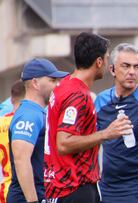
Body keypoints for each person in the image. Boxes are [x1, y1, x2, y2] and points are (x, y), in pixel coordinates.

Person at [44, 32, 133, 203]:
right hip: (74, 187)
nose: (107, 64)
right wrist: (106, 133)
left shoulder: (63, 85)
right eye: (107, 58)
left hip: (60, 186)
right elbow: (63, 143)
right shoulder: (78, 94)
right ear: (98, 62)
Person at [94, 43, 138, 202]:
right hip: (107, 188)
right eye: (126, 66)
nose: (132, 72)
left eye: (137, 67)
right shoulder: (101, 100)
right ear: (112, 69)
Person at [7, 59, 68, 203]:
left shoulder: (37, 112)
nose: (57, 85)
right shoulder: (29, 114)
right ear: (35, 83)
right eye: (52, 80)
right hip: (26, 197)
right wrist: (33, 200)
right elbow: (21, 159)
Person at [0, 80, 25, 202]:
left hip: (3, 192)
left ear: (11, 100)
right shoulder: (26, 124)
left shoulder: (0, 122)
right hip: (22, 193)